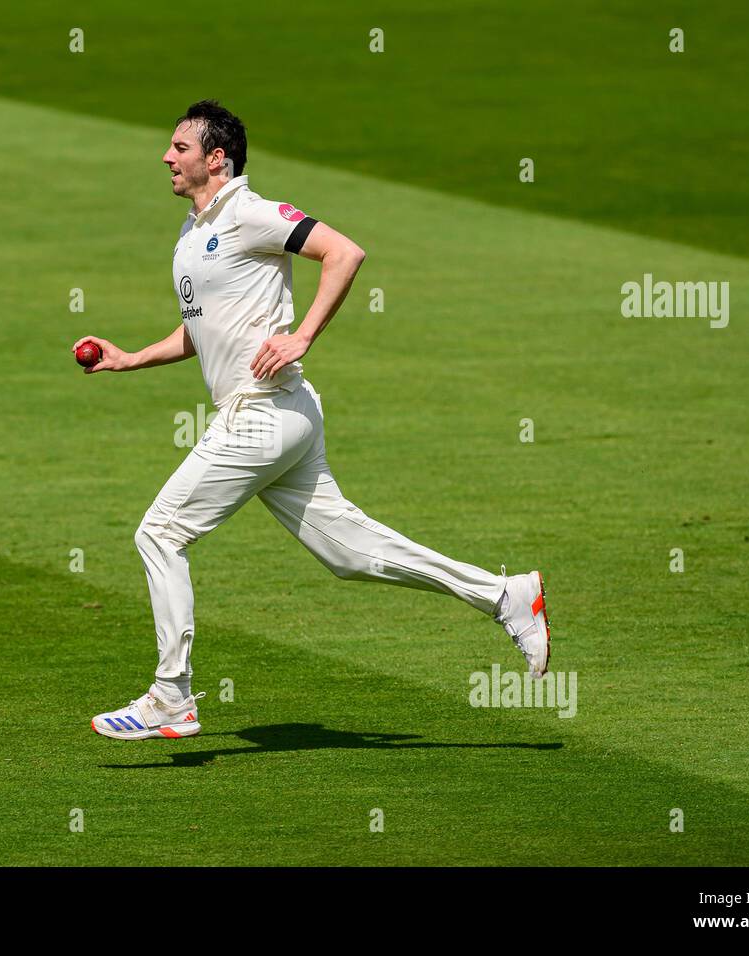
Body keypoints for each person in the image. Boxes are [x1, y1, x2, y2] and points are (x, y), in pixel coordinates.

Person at [74, 100, 550, 740]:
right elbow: (203, 331)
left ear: (217, 159)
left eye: (180, 148)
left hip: (264, 413)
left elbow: (344, 253)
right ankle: (506, 596)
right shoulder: (192, 235)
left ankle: (171, 697)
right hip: (278, 419)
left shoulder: (248, 212)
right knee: (350, 554)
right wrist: (132, 358)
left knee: (160, 532)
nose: (167, 156)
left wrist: (301, 335)